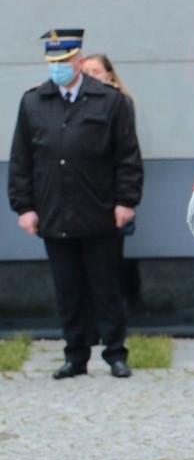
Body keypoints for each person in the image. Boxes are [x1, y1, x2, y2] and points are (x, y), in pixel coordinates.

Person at [8, 28, 144, 378]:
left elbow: (127, 156)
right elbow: (21, 159)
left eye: (64, 61)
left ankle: (115, 353)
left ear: (79, 61)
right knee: (67, 288)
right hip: (54, 210)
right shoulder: (33, 101)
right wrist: (24, 207)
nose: (58, 68)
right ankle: (75, 355)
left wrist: (126, 201)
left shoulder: (109, 100)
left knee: (106, 285)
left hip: (99, 208)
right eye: (52, 62)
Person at [81, 52, 142, 307]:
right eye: (86, 73)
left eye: (96, 71)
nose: (91, 77)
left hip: (110, 193)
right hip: (84, 194)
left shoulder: (120, 103)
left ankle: (124, 305)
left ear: (109, 74)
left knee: (111, 259)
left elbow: (126, 153)